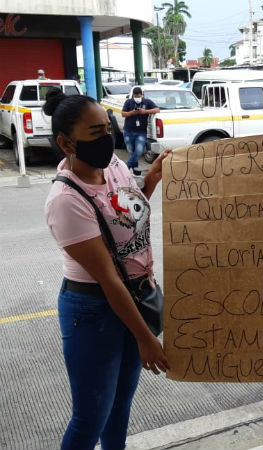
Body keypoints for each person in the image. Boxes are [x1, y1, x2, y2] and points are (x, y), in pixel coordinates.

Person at [43, 87, 170, 449]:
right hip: (95, 310)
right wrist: (146, 339)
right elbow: (109, 280)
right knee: (90, 417)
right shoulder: (65, 201)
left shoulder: (112, 165)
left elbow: (127, 214)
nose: (108, 138)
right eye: (96, 133)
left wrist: (152, 179)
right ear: (67, 143)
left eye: (108, 127)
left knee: (119, 408)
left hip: (132, 298)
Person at [121, 87, 159, 176]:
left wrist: (145, 111)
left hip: (141, 132)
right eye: (135, 95)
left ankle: (126, 167)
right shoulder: (128, 102)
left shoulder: (147, 102)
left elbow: (157, 109)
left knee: (139, 150)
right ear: (133, 95)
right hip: (128, 131)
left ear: (142, 95)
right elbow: (123, 114)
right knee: (131, 151)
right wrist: (132, 113)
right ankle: (135, 170)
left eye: (139, 95)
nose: (137, 97)